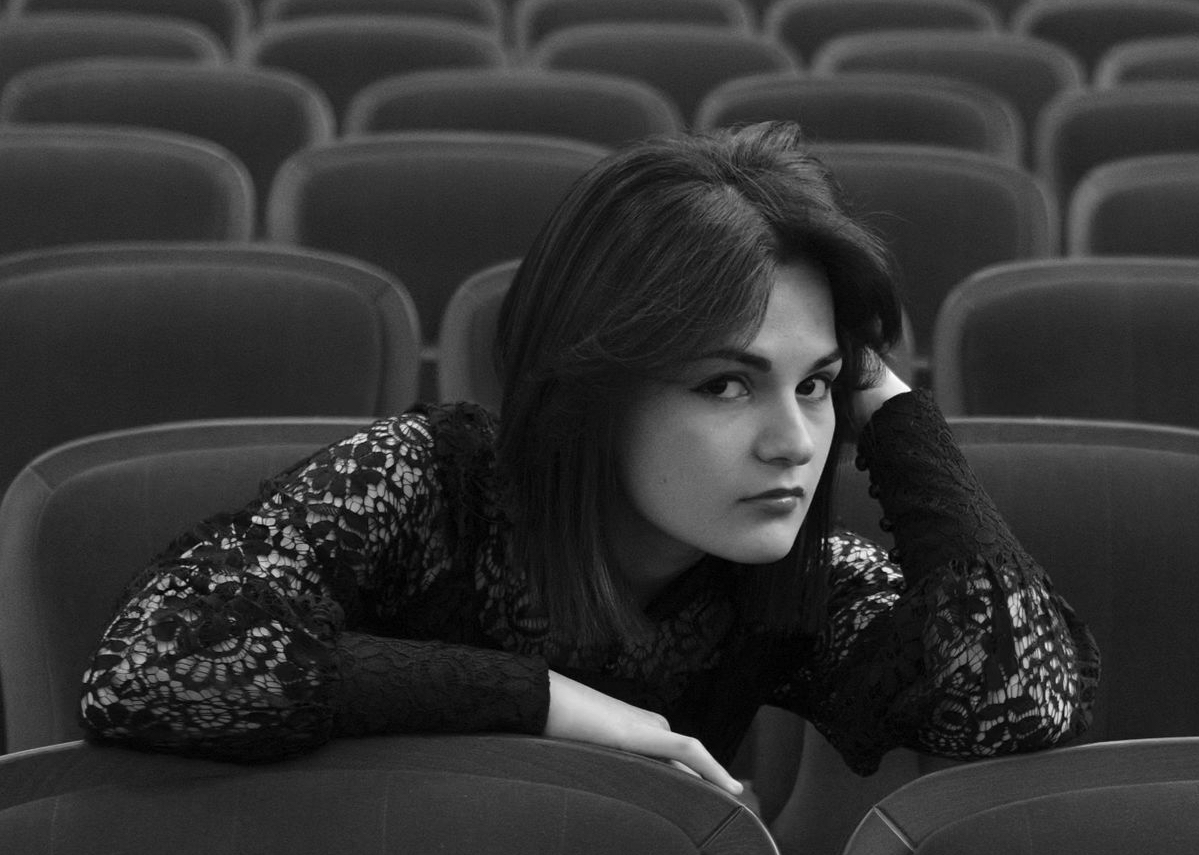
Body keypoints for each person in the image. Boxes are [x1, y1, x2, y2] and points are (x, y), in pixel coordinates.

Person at [80, 122, 1099, 797]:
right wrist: (549, 704)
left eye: (816, 385)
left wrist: (897, 414)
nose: (793, 441)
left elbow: (1021, 700)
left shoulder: (791, 581)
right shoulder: (423, 488)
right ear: (594, 391)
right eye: (726, 385)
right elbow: (150, 663)